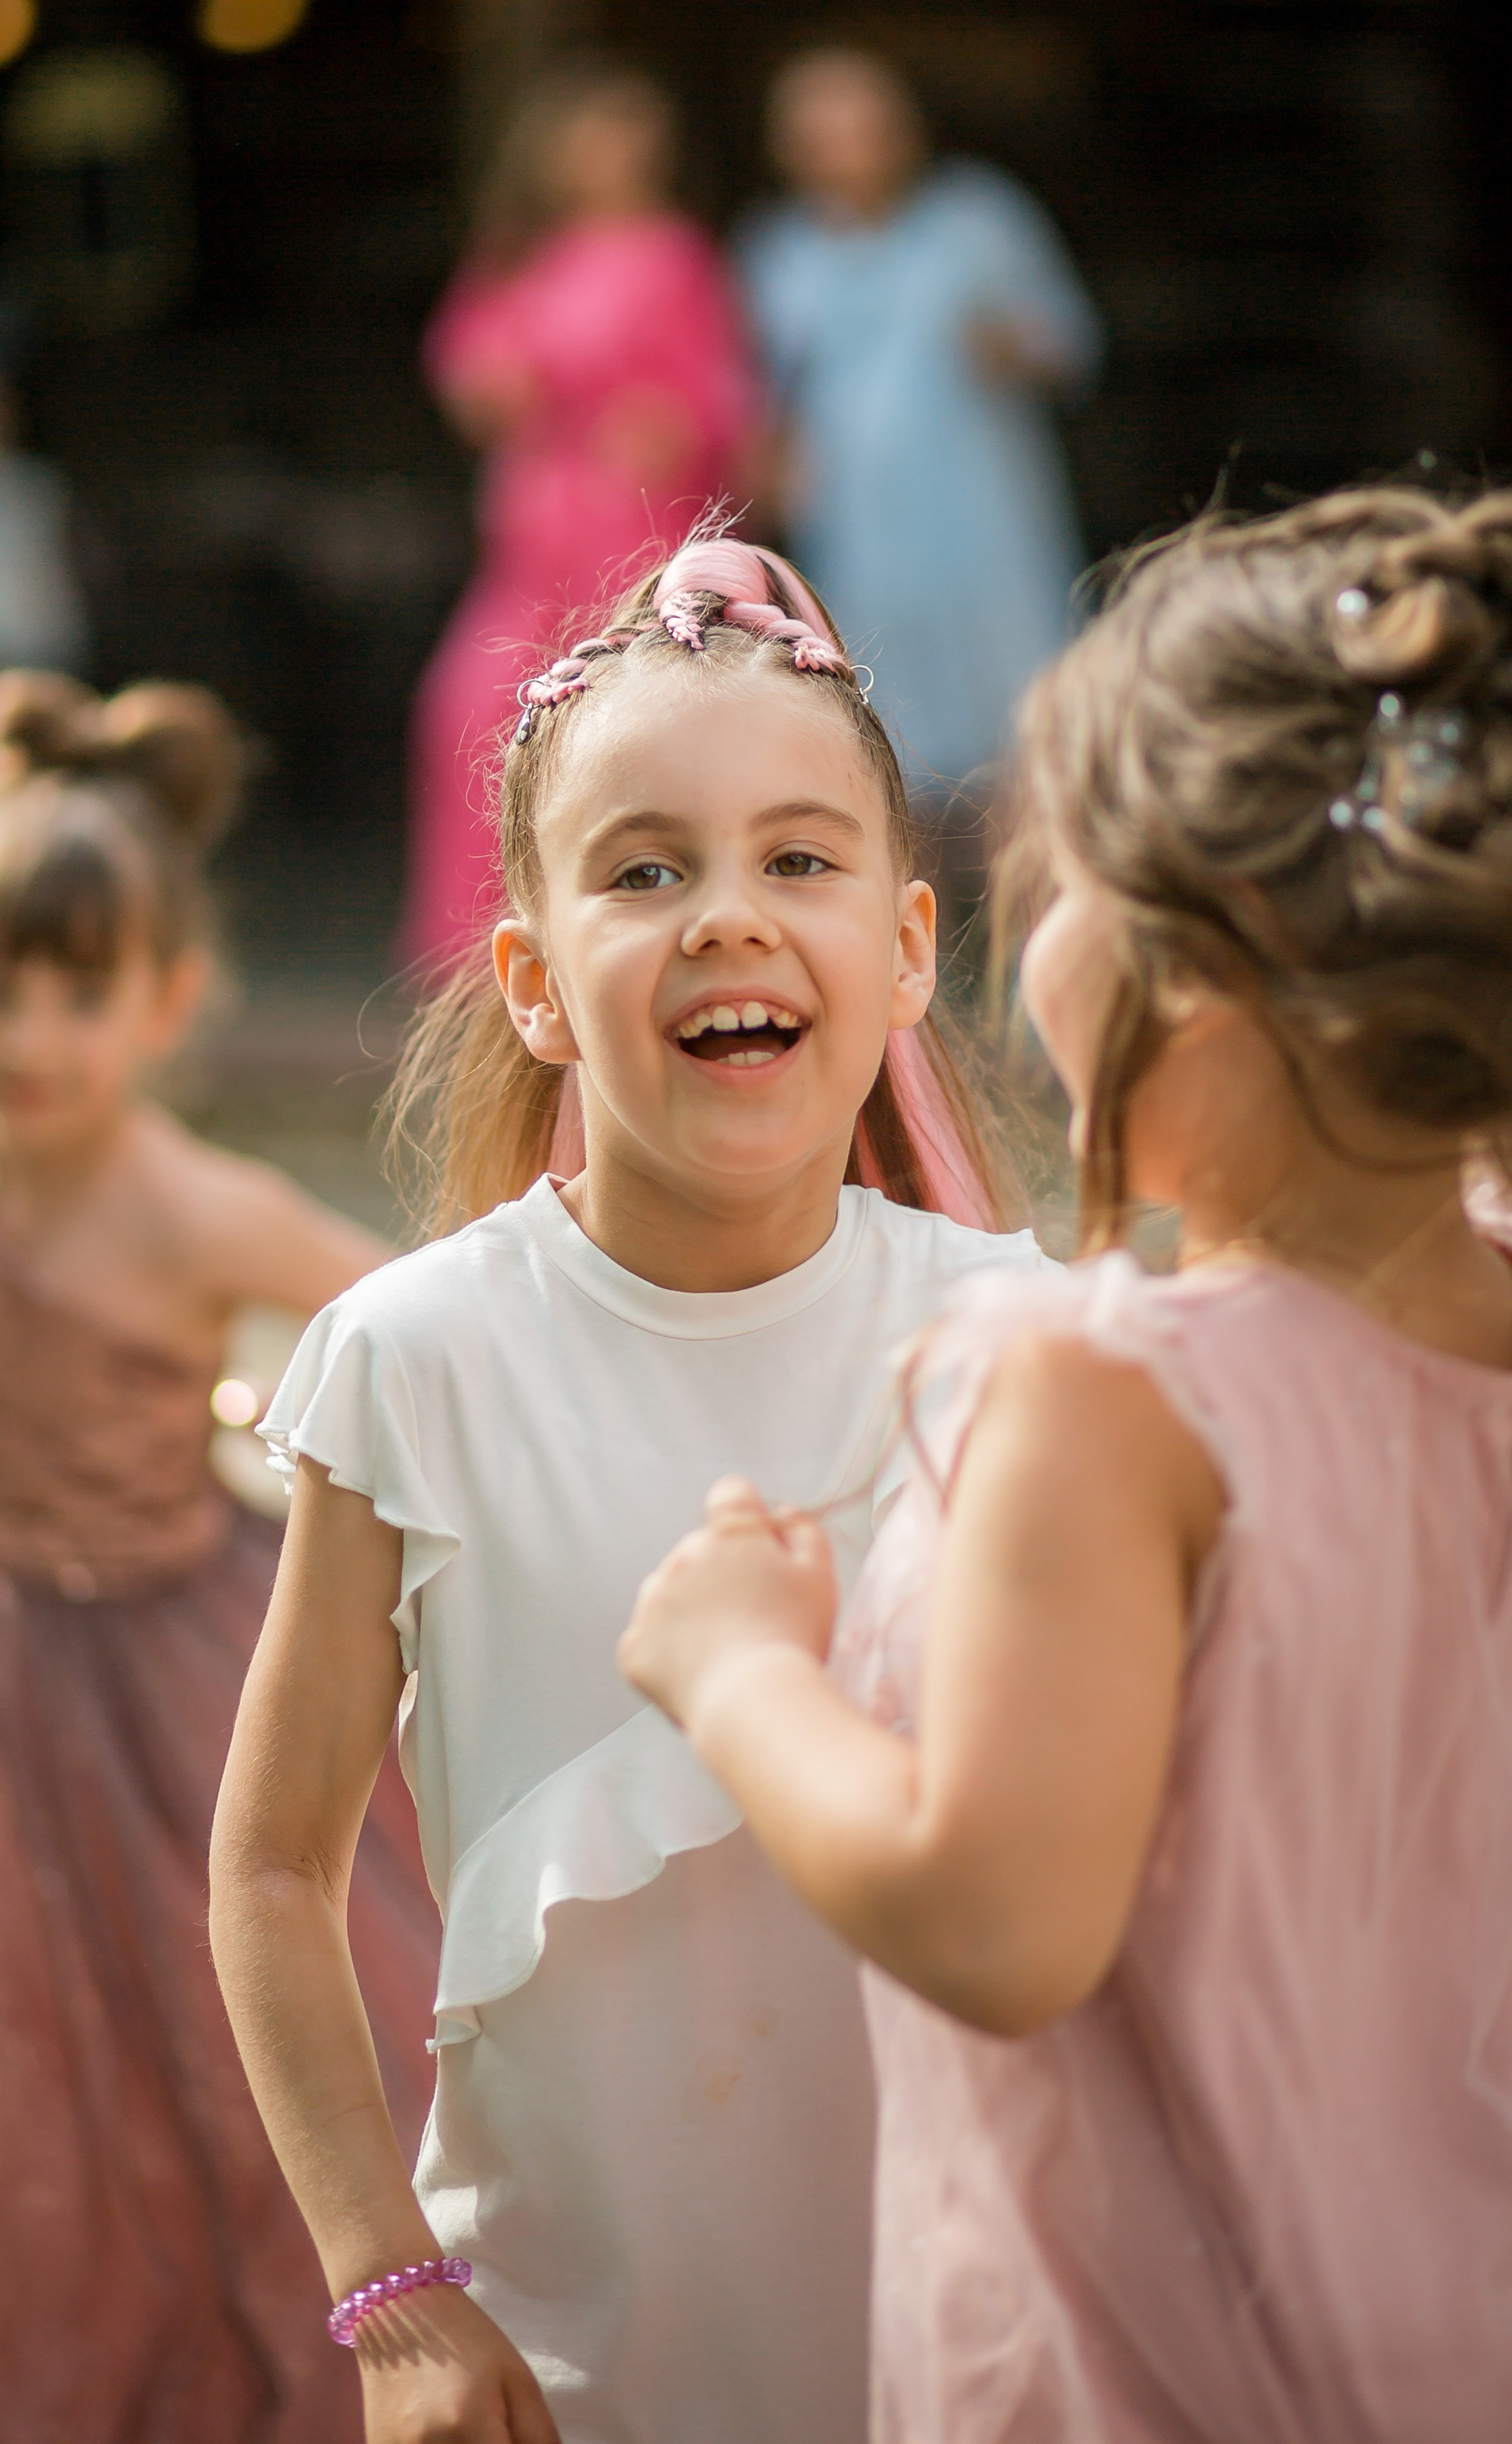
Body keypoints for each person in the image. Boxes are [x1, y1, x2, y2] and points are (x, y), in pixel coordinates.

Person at [620, 488, 1512, 2442]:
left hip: (1164, 2355)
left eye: (1060, 870)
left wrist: (737, 1667)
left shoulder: (1111, 1404)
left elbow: (996, 1920)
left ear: (1190, 967)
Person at [209, 534, 1050, 2444]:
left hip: (959, 2333)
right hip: (565, 2353)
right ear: (527, 976)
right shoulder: (415, 1361)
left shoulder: (1024, 1340)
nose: (728, 917)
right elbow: (270, 1862)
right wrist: (388, 2290)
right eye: (646, 866)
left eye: (799, 858)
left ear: (909, 946)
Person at [0, 673, 439, 2442]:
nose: (30, 1033)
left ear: (170, 1001)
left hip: (160, 1674)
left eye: (81, 990)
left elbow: (397, 1323)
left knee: (218, 2030)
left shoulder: (193, 1205)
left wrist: (278, 1407)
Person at [401, 66, 758, 972]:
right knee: (470, 718)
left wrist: (669, 423)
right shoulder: (524, 253)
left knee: (625, 729)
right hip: (531, 540)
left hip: (629, 530)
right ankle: (480, 967)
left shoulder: (676, 255)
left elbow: (721, 398)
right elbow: (467, 368)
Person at [744, 49, 1099, 856]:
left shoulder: (977, 219)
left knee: (1022, 735)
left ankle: (1032, 960)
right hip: (861, 543)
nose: (850, 149)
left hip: (988, 531)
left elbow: (1072, 347)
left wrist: (1014, 348)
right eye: (823, 134)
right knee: (886, 741)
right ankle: (916, 954)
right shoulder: (778, 254)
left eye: (865, 127)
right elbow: (762, 400)